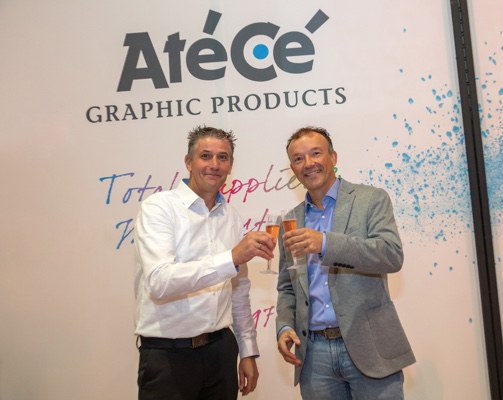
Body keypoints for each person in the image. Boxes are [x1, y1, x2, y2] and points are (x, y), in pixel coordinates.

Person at [134, 125, 276, 400]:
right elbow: (159, 283)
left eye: (222, 157)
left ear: (230, 166)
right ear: (188, 162)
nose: (214, 164)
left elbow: (238, 289)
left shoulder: (231, 215)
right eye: (205, 156)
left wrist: (247, 350)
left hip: (220, 351)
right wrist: (232, 258)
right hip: (168, 355)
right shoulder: (159, 208)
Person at [276, 126, 416, 399]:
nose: (308, 163)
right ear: (293, 169)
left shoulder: (371, 199)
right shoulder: (290, 221)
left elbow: (391, 254)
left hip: (370, 347)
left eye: (316, 153)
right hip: (314, 357)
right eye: (298, 158)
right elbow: (287, 286)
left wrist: (325, 243)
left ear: (333, 157)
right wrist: (285, 326)